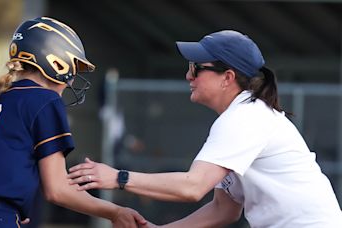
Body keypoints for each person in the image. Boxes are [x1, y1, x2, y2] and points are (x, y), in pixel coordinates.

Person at [68, 30, 342, 227]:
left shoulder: (244, 117)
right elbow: (223, 210)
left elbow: (193, 187)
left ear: (228, 78)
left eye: (197, 68)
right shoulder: (243, 114)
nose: (188, 75)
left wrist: (119, 177)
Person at [0, 17, 147, 228]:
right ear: (55, 61)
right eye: (73, 66)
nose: (72, 79)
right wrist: (115, 212)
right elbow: (56, 190)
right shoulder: (44, 100)